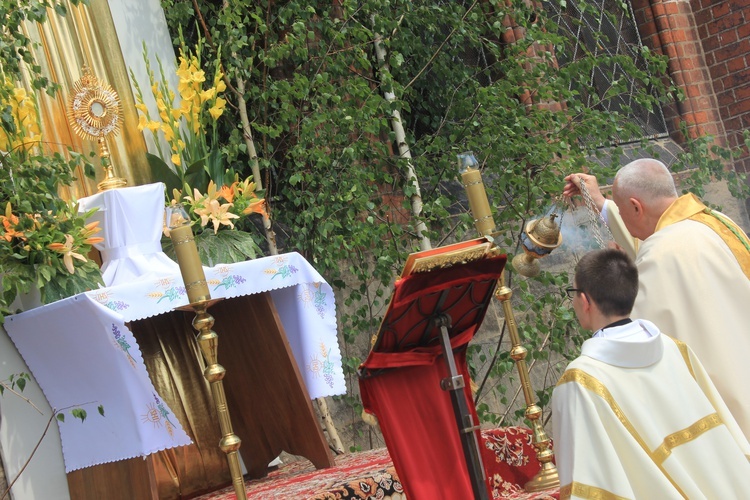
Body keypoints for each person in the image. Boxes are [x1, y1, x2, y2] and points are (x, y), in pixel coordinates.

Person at [562, 158, 750, 439]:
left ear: (636, 207)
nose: (624, 221)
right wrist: (601, 203)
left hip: (727, 402)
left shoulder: (662, 253)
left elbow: (636, 333)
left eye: (624, 213)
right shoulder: (717, 222)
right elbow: (648, 235)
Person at [551, 249, 750, 498]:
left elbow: (588, 484)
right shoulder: (675, 349)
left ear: (584, 300)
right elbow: (723, 437)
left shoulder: (580, 382)